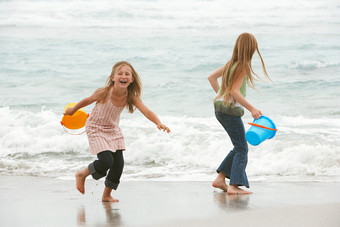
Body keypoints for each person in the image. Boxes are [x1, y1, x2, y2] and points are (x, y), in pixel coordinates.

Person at [64, 61, 170, 202]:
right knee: (106, 161)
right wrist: (72, 110)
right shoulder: (104, 92)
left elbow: (147, 112)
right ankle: (82, 174)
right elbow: (87, 101)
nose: (123, 76)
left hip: (113, 130)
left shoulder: (130, 96)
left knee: (118, 164)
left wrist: (158, 122)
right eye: (120, 73)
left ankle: (106, 195)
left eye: (127, 74)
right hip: (96, 128)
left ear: (131, 79)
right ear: (113, 77)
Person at [208, 33, 271, 195]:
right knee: (242, 148)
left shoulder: (231, 63)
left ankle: (221, 179)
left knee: (239, 146)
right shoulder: (242, 65)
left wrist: (221, 96)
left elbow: (211, 77)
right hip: (230, 112)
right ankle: (234, 186)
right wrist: (252, 109)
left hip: (219, 109)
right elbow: (235, 91)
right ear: (251, 50)